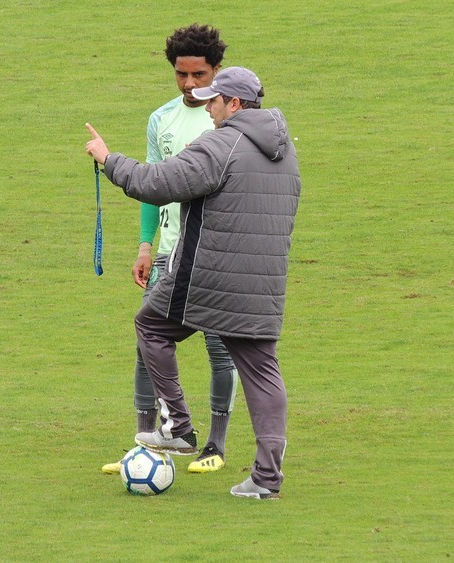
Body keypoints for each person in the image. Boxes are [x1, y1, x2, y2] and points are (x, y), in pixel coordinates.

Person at [85, 66, 301, 499]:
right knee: (262, 372)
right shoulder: (283, 150)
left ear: (235, 104)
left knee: (151, 327)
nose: (208, 108)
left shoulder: (222, 143)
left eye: (214, 101)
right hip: (262, 283)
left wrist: (109, 160)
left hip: (207, 277)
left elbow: (158, 183)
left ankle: (178, 427)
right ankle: (266, 480)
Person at [100, 24, 239, 476]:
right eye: (182, 75)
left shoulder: (227, 119)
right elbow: (151, 188)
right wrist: (146, 246)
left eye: (199, 75)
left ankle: (214, 445)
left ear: (216, 71)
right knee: (147, 343)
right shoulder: (160, 120)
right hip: (169, 252)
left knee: (220, 347)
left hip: (215, 256)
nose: (190, 84)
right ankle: (147, 443)